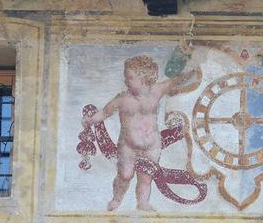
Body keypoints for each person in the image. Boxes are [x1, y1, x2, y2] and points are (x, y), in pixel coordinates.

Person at [84, 55, 196, 211]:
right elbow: (104, 112)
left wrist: (191, 72)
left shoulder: (156, 91)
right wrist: (90, 120)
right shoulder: (122, 99)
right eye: (125, 77)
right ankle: (117, 199)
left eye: (130, 77)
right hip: (128, 147)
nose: (126, 81)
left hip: (152, 146)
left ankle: (142, 203)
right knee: (125, 175)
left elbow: (174, 81)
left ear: (145, 77)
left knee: (145, 178)